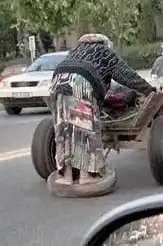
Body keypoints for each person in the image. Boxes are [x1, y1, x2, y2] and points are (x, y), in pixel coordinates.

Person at [50, 33, 156, 185]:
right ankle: (86, 176)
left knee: (64, 128)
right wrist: (150, 90)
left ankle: (66, 176)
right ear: (104, 43)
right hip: (81, 83)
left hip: (58, 82)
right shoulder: (105, 52)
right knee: (84, 128)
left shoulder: (74, 52)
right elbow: (128, 76)